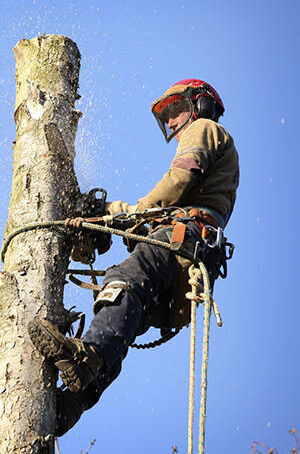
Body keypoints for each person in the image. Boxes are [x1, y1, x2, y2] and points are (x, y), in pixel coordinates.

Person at [27, 79, 240, 436]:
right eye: (166, 117)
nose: (171, 123)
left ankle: (87, 358)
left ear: (200, 105)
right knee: (126, 315)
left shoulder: (205, 129)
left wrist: (136, 214)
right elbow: (152, 212)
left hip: (182, 239)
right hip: (185, 263)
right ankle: (77, 399)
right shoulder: (207, 180)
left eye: (176, 111)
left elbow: (178, 179)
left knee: (121, 282)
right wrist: (106, 215)